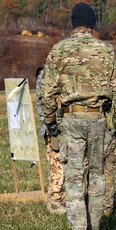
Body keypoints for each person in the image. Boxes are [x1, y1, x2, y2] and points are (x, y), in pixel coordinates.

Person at [39, 3, 116, 230]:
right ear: (92, 25)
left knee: (75, 177)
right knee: (98, 176)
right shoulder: (106, 50)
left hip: (71, 119)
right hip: (98, 118)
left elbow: (46, 92)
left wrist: (50, 122)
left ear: (73, 23)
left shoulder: (58, 50)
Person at [36, 65, 65, 214]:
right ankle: (54, 200)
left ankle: (61, 197)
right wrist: (51, 123)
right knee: (59, 165)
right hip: (55, 127)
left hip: (68, 125)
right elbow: (42, 102)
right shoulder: (46, 73)